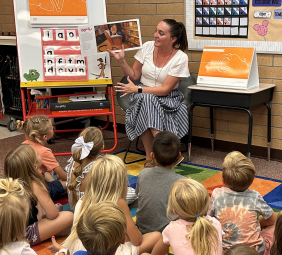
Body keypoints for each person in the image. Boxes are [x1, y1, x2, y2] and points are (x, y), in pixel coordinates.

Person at [110, 19, 190, 167]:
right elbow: (134, 76)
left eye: (161, 33)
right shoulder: (147, 47)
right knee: (146, 100)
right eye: (156, 31)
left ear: (173, 39)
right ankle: (166, 153)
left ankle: (151, 158)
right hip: (142, 95)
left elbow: (165, 89)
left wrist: (138, 89)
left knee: (146, 101)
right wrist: (121, 60)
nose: (155, 35)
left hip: (168, 98)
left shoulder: (181, 57)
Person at [53, 155, 160, 255]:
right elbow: (137, 240)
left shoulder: (82, 200)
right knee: (156, 236)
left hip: (80, 251)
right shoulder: (119, 203)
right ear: (120, 182)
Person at [208, 151, 277, 255]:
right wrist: (256, 223)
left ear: (223, 180)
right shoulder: (254, 196)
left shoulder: (216, 194)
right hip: (255, 254)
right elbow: (273, 219)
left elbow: (209, 219)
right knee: (277, 226)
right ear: (252, 180)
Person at [4, 145, 73, 246]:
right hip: (22, 236)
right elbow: (53, 215)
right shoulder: (35, 184)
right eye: (37, 154)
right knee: (69, 216)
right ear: (35, 166)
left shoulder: (9, 184)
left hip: (6, 232)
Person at [135, 131, 183, 234]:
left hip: (141, 228)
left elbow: (139, 195)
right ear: (178, 156)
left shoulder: (143, 173)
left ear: (152, 156)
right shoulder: (181, 182)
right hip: (167, 232)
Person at [17, 115, 67, 200]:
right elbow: (64, 176)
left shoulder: (24, 144)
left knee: (46, 171)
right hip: (38, 191)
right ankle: (53, 193)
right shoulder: (44, 151)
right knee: (72, 181)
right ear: (45, 137)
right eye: (51, 128)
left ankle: (56, 187)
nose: (53, 128)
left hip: (25, 186)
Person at [65, 127, 104, 210]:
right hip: (90, 213)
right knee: (129, 194)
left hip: (74, 208)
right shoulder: (99, 168)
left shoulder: (74, 158)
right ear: (102, 147)